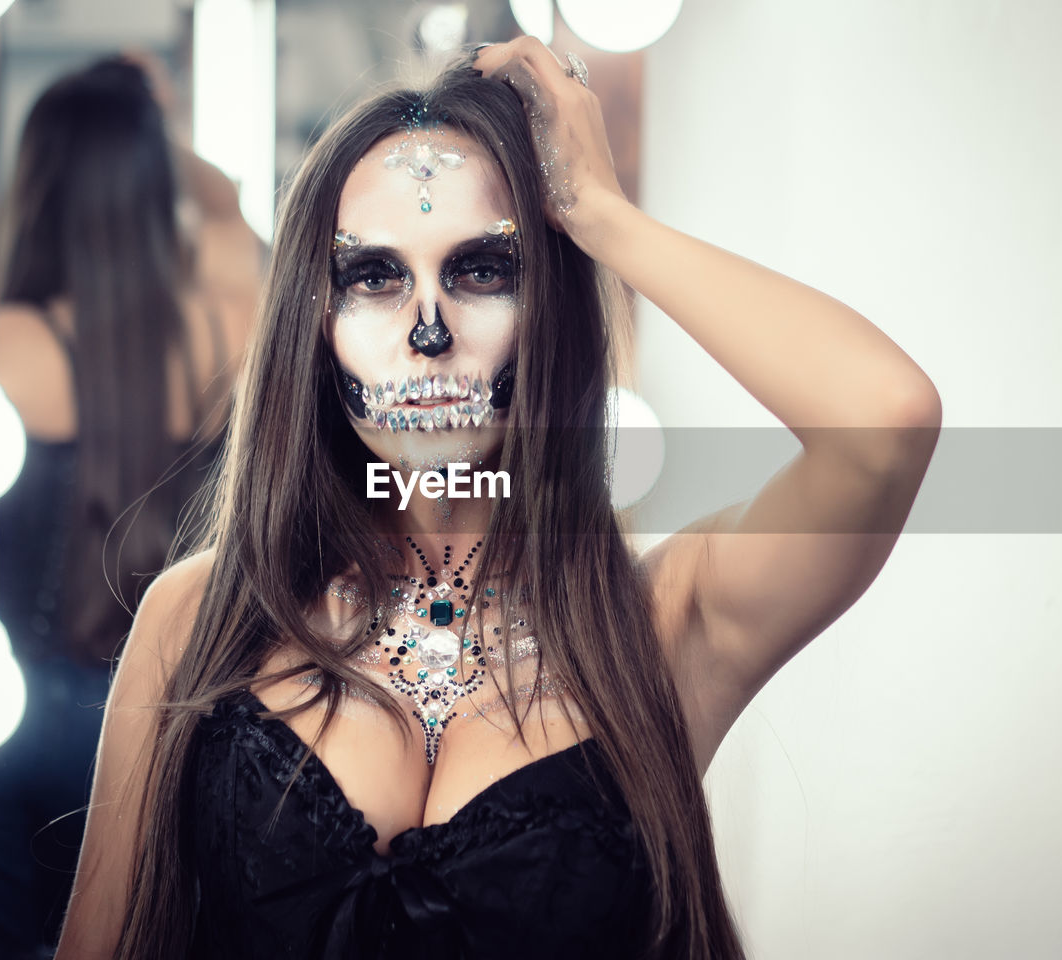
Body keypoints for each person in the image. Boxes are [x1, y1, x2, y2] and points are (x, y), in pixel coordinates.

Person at [55, 39, 940, 960]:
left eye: (481, 271)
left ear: (547, 308)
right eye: (375, 277)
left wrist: (601, 217)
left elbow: (885, 423)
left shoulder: (667, 623)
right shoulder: (197, 617)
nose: (428, 331)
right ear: (312, 331)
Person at [0, 57, 260, 958]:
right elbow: (234, 223)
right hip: (179, 714)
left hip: (18, 718)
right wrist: (161, 137)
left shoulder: (0, 345)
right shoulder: (228, 324)